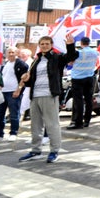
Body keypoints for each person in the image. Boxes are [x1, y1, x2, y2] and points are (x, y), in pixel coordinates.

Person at [16, 34, 76, 163]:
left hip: (49, 94)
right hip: (35, 95)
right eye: (42, 44)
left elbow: (71, 57)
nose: (44, 46)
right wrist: (27, 80)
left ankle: (54, 150)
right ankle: (35, 150)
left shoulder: (56, 57)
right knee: (35, 125)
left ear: (51, 45)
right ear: (39, 45)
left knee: (52, 124)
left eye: (47, 44)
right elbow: (32, 80)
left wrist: (70, 45)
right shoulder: (36, 60)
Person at [0, 46, 28, 141]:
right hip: (2, 92)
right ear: (6, 54)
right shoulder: (5, 64)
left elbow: (24, 79)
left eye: (13, 52)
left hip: (13, 92)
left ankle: (13, 133)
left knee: (14, 114)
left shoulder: (21, 64)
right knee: (0, 114)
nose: (11, 54)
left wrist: (18, 90)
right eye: (9, 52)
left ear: (17, 53)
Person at [68, 36, 98, 129]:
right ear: (89, 43)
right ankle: (87, 121)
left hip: (78, 78)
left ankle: (78, 122)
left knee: (78, 100)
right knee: (89, 99)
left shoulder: (79, 53)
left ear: (81, 43)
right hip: (89, 77)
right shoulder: (95, 52)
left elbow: (70, 62)